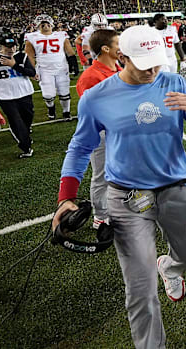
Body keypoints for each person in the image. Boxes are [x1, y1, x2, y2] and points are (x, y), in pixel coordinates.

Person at [53, 25, 186, 348]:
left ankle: (170, 267)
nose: (152, 71)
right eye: (144, 64)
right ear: (122, 56)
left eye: (157, 62)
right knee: (140, 289)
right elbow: (80, 148)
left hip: (174, 187)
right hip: (126, 197)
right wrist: (66, 197)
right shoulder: (96, 98)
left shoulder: (173, 81)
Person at [75, 28, 121, 229]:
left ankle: (122, 207)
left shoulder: (117, 69)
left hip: (120, 131)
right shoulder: (90, 76)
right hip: (101, 132)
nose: (121, 48)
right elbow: (92, 112)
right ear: (105, 48)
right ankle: (101, 216)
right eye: (118, 44)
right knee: (102, 175)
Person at [0, 34, 37, 158]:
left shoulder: (22, 57)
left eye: (13, 46)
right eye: (7, 47)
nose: (11, 49)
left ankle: (25, 136)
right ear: (1, 46)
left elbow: (31, 73)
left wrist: (14, 65)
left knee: (27, 119)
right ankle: (25, 146)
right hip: (5, 96)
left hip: (24, 93)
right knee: (16, 121)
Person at [24, 14, 75, 120]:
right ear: (38, 26)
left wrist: (73, 63)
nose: (45, 26)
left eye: (47, 23)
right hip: (44, 69)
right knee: (48, 95)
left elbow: (69, 50)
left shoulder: (61, 35)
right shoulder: (31, 37)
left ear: (52, 24)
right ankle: (51, 108)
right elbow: (30, 55)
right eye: (42, 24)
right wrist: (32, 70)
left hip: (61, 68)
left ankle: (66, 112)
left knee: (64, 92)